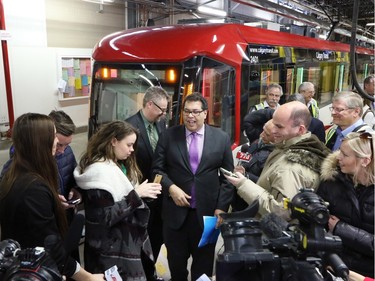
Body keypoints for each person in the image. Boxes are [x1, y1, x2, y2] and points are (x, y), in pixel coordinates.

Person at [0, 113, 104, 281]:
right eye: (53, 136)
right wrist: (88, 277)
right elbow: (50, 247)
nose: (56, 142)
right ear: (40, 143)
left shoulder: (21, 175)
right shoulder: (33, 190)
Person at [152, 93, 234, 281]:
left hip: (207, 217)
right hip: (175, 216)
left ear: (205, 113)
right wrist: (171, 188)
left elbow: (228, 178)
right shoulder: (168, 136)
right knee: (177, 268)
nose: (191, 116)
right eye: (187, 111)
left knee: (203, 269)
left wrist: (221, 208)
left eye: (196, 112)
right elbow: (156, 170)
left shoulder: (221, 138)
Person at [74, 120, 162, 280]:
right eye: (128, 145)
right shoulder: (99, 173)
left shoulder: (119, 164)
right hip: (111, 253)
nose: (132, 150)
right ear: (113, 141)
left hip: (127, 245)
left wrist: (143, 195)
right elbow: (105, 218)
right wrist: (137, 194)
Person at [225, 101, 330, 218]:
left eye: (279, 126)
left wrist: (243, 184)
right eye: (273, 123)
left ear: (300, 130)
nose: (273, 130)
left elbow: (282, 213)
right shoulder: (288, 146)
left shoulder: (292, 169)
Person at [126, 86, 168, 281]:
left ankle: (150, 273)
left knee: (157, 238)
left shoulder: (161, 125)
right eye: (161, 109)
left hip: (158, 195)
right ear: (149, 104)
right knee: (140, 240)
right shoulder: (129, 126)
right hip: (139, 195)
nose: (164, 113)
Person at [317, 131, 374, 278]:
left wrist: (340, 228)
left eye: (345, 155)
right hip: (334, 265)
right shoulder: (331, 181)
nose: (338, 158)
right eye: (340, 152)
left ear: (365, 161)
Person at [232, 120, 275, 211]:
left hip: (254, 203)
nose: (262, 135)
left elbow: (266, 184)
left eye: (267, 134)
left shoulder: (274, 156)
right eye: (263, 130)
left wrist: (246, 176)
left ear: (277, 137)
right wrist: (242, 169)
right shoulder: (256, 143)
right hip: (239, 198)